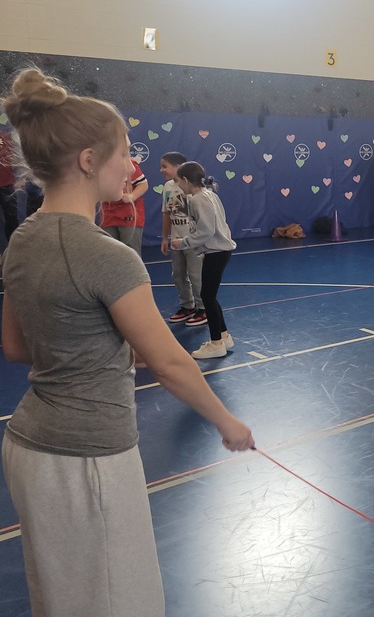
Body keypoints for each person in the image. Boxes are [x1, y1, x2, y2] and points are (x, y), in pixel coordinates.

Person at [0, 67, 253, 617]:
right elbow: (168, 362)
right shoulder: (111, 257)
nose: (130, 165)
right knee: (118, 599)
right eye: (122, 153)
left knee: (63, 598)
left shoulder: (21, 238)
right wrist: (227, 422)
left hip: (26, 448)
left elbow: (16, 347)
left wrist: (98, 343)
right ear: (89, 160)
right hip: (86, 457)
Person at [169, 161, 237, 360]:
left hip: (216, 252)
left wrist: (182, 242)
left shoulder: (199, 199)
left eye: (179, 181)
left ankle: (216, 343)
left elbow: (206, 231)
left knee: (207, 296)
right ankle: (223, 336)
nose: (178, 185)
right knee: (209, 295)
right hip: (219, 251)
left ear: (186, 180)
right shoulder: (209, 195)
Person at [161, 151, 205, 325]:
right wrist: (165, 237)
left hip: (193, 241)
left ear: (178, 168)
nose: (161, 170)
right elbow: (167, 213)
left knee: (196, 275)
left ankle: (203, 308)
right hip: (176, 240)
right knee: (178, 275)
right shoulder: (167, 187)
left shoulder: (194, 188)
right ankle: (187, 306)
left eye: (165, 166)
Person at [99, 157, 148, 257]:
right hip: (107, 213)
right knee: (110, 250)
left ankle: (133, 273)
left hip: (129, 213)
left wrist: (132, 196)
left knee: (131, 252)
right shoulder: (98, 165)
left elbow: (144, 184)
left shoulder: (128, 163)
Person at [0, 128, 19, 252]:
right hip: (7, 182)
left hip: (7, 183)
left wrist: (19, 179)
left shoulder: (6, 135)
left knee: (12, 217)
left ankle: (14, 249)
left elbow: (15, 157)